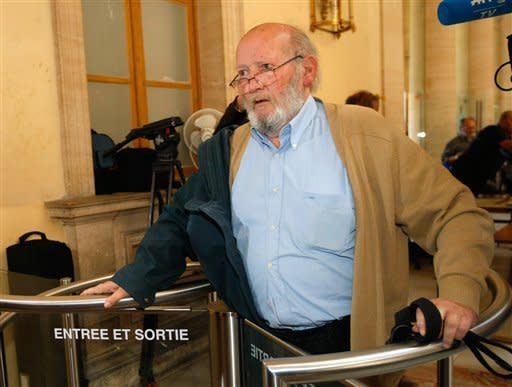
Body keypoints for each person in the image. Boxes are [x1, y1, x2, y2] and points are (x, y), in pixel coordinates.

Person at [82, 23, 493, 383]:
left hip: (349, 346)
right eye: (242, 74)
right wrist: (138, 274)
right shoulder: (227, 152)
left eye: (264, 68)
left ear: (306, 70)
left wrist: (458, 293)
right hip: (259, 342)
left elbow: (454, 213)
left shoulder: (364, 137)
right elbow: (177, 219)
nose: (250, 83)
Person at [451, 111, 512, 195]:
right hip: (465, 174)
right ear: (504, 120)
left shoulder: (506, 136)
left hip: (479, 178)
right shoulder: (493, 131)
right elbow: (508, 146)